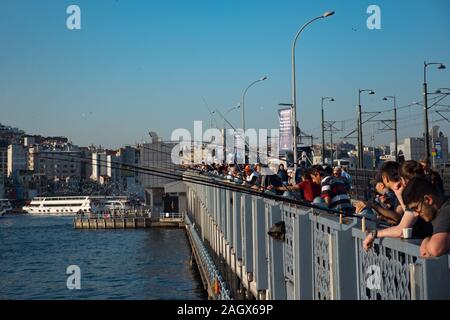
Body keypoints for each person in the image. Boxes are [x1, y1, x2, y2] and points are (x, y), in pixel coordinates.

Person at [363, 161, 433, 251]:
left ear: (403, 180)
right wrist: (399, 195)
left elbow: (401, 229)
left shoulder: (416, 198)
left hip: (429, 249)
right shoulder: (426, 191)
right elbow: (408, 215)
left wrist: (373, 234)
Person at [403, 177, 450, 257]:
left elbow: (435, 250)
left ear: (428, 199)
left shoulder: (447, 210)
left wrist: (425, 240)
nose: (416, 214)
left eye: (416, 208)